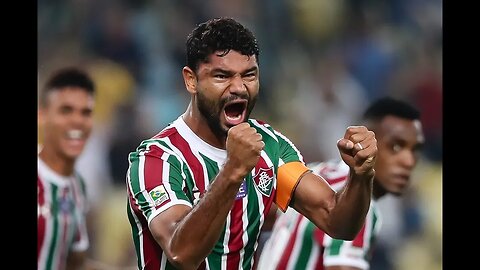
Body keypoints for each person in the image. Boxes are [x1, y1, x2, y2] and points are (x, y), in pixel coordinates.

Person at [125, 17, 377, 270]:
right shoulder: (157, 161)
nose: (239, 88)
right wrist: (233, 171)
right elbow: (182, 254)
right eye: (222, 76)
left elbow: (337, 221)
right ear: (191, 80)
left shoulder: (270, 147)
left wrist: (360, 175)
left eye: (249, 75)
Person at [257, 97, 425, 270]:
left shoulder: (314, 175)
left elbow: (260, 219)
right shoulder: (357, 209)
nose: (409, 161)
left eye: (415, 150)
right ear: (365, 143)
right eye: (396, 147)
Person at [38, 67, 96, 270]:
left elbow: (73, 263)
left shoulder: (76, 186)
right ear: (42, 115)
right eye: (66, 110)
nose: (77, 121)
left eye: (85, 113)